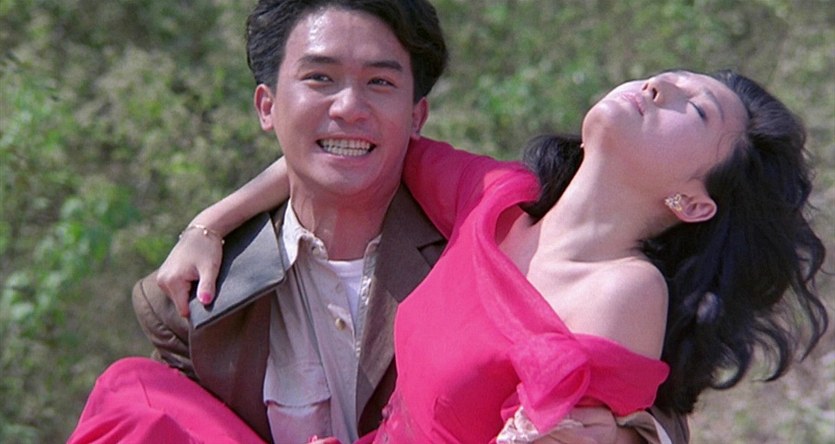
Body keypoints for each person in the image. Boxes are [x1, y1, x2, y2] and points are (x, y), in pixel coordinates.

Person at [70, 1, 683, 443]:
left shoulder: (485, 244)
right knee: (133, 394)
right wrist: (207, 227)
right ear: (267, 105)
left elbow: (650, 400)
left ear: (417, 116)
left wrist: (620, 437)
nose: (349, 107)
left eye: (380, 83)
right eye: (319, 78)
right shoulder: (208, 293)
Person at [158, 69, 828, 443]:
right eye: (665, 77)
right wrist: (208, 224)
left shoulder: (622, 291)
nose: (657, 88)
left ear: (692, 202)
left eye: (696, 110)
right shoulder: (496, 200)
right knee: (140, 396)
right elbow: (352, 148)